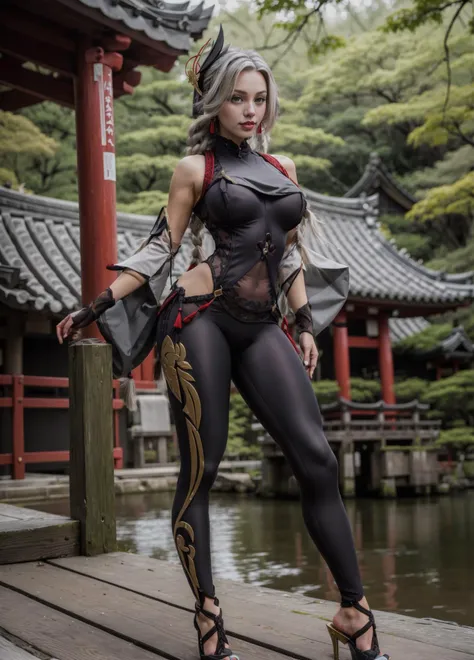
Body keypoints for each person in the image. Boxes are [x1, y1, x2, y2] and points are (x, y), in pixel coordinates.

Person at [57, 26, 388, 660]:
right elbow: (161, 247)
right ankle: (209, 619)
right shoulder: (196, 169)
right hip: (198, 319)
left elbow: (289, 253)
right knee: (203, 468)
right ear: (215, 100)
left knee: (317, 459)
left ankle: (354, 610)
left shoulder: (280, 169)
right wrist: (98, 304)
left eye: (259, 98)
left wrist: (303, 324)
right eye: (238, 98)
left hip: (264, 325)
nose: (250, 110)